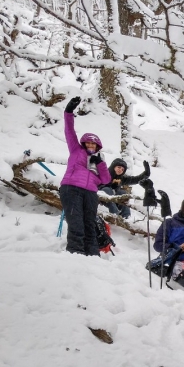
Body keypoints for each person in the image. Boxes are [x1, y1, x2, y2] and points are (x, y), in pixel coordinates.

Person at [58, 96, 111, 255]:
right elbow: (69, 131)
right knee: (76, 224)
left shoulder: (100, 160)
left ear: (97, 146)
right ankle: (76, 255)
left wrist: (99, 163)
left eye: (93, 143)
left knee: (89, 225)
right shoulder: (76, 149)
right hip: (71, 189)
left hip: (90, 194)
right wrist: (68, 111)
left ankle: (93, 256)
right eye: (88, 142)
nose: (90, 145)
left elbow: (106, 180)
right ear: (83, 143)